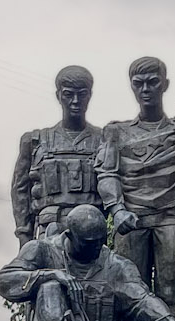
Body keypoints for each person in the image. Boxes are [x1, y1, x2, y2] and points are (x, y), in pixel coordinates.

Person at [0, 203, 175, 321]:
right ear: (69, 236)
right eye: (89, 243)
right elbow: (3, 281)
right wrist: (49, 274)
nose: (97, 247)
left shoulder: (117, 266)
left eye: (101, 241)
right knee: (50, 286)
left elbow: (142, 300)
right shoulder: (41, 250)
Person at [95, 56, 175, 320]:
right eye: (139, 84)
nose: (146, 89)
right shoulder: (116, 132)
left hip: (171, 219)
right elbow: (106, 174)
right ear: (132, 87)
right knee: (128, 293)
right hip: (131, 221)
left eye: (153, 82)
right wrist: (117, 209)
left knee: (169, 294)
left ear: (165, 84)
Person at [9, 65, 104, 242]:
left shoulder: (104, 140)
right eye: (68, 94)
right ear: (58, 95)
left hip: (93, 235)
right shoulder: (34, 141)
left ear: (89, 95)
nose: (75, 101)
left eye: (82, 94)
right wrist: (24, 235)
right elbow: (20, 192)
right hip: (49, 230)